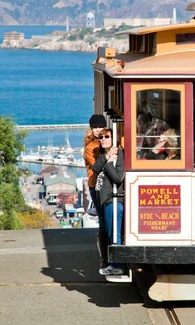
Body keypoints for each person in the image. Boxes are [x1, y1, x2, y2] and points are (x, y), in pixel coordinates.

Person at [92, 128, 125, 276]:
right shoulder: (104, 155)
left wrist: (110, 163)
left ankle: (117, 264)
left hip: (115, 199)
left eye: (107, 136)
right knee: (111, 232)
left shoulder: (120, 155)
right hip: (106, 199)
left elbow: (118, 178)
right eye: (101, 137)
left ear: (114, 138)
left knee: (115, 232)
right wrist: (107, 156)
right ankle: (113, 263)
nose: (103, 139)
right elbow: (95, 168)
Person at [83, 114, 109, 274]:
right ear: (91, 129)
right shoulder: (91, 147)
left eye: (100, 127)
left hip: (108, 184)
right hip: (96, 185)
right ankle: (104, 259)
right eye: (95, 127)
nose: (98, 130)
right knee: (103, 221)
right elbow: (97, 167)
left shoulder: (105, 140)